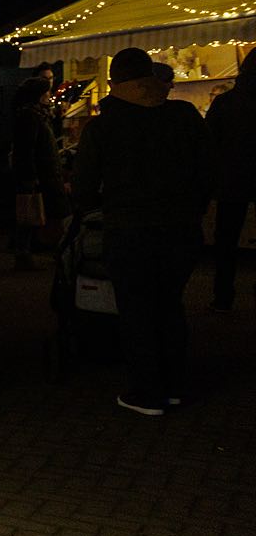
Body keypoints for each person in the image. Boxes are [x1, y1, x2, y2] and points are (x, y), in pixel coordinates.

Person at [72, 47, 210, 416]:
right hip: (181, 228)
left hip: (129, 229)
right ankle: (177, 385)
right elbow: (207, 168)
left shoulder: (102, 128)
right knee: (169, 304)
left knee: (136, 310)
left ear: (115, 84)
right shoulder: (182, 115)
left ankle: (147, 392)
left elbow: (84, 185)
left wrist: (94, 206)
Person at [206, 50, 256, 312]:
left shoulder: (226, 103)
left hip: (231, 179)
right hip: (236, 177)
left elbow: (209, 142)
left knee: (226, 241)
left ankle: (223, 295)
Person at [10, 77, 68, 269]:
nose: (50, 96)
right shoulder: (31, 117)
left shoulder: (36, 115)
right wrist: (30, 176)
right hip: (41, 174)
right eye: (47, 93)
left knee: (38, 213)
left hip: (45, 172)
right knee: (33, 212)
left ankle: (29, 251)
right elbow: (26, 149)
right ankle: (25, 252)